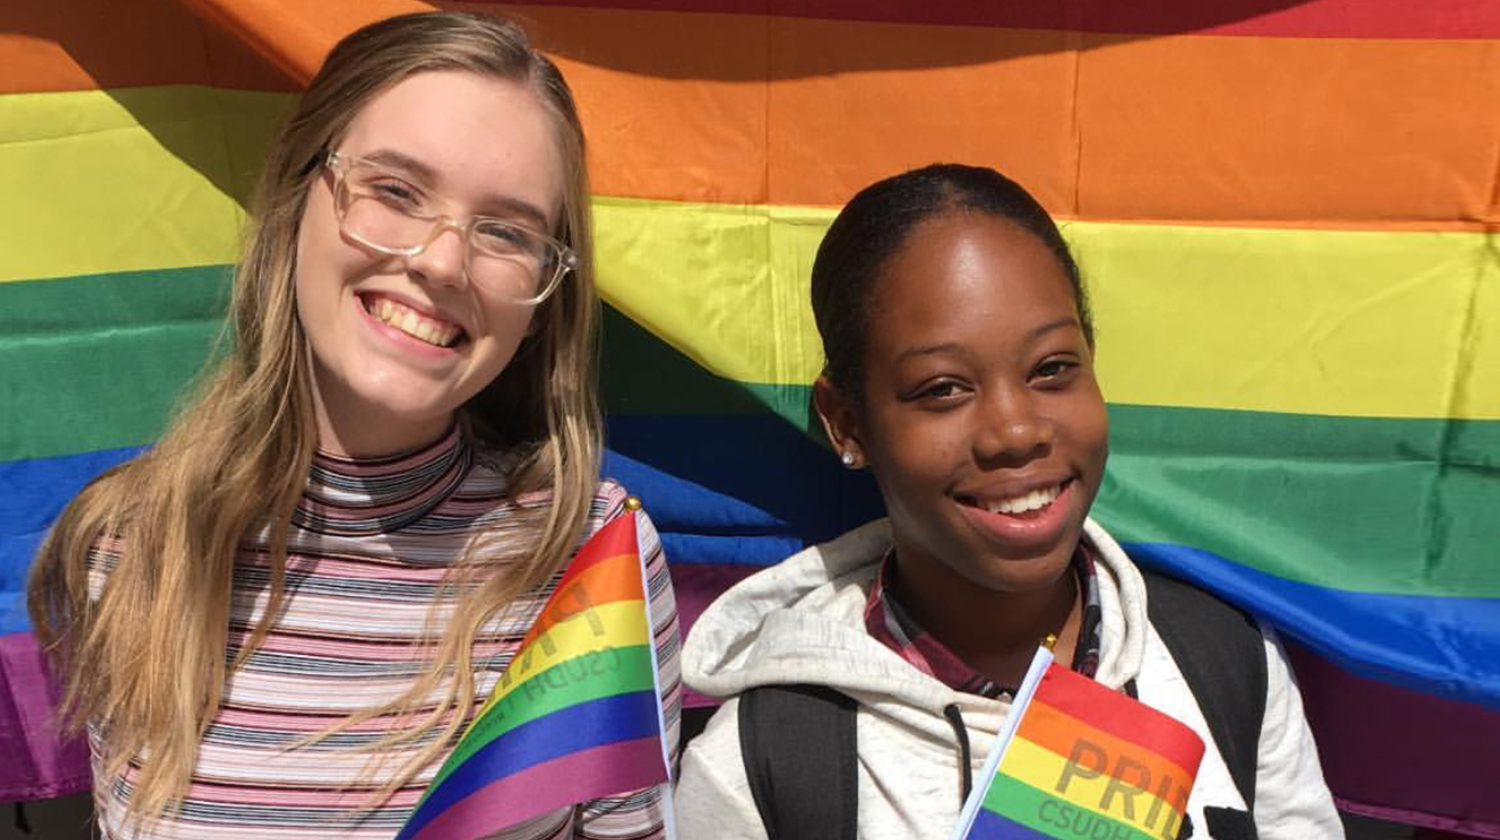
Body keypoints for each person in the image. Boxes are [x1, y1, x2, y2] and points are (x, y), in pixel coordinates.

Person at [27, 12, 678, 840]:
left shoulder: (595, 560)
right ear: (298, 196)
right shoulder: (128, 541)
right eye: (396, 191)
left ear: (543, 301)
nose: (442, 262)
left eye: (507, 232)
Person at [674, 164, 1341, 839]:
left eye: (1051, 369)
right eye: (942, 389)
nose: (1015, 432)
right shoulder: (764, 768)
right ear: (847, 422)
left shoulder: (1225, 662)